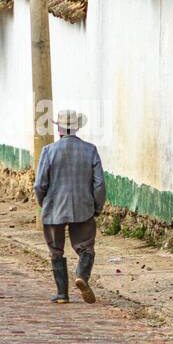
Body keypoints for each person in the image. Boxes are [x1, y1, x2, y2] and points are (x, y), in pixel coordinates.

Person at [34, 109, 106, 304]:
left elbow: (40, 184)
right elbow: (99, 183)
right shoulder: (90, 150)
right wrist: (97, 206)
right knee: (86, 247)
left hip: (54, 207)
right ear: (77, 128)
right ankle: (81, 275)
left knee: (56, 250)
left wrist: (45, 203)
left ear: (59, 128)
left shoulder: (49, 151)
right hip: (83, 207)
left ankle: (62, 294)